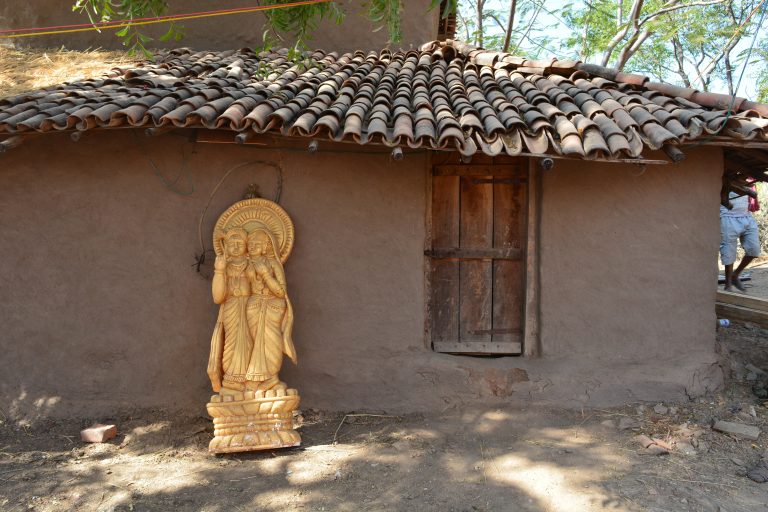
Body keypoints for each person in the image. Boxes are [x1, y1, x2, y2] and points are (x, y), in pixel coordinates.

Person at [243, 229, 297, 391]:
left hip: (273, 305)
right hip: (253, 305)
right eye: (250, 243)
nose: (252, 247)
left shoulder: (273, 264)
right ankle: (254, 379)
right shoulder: (245, 264)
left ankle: (272, 378)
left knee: (271, 341)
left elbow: (281, 292)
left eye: (257, 244)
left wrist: (265, 274)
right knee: (253, 342)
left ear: (266, 246)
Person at [720, 189, 761, 292]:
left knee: (754, 250)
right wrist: (749, 192)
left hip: (746, 216)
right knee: (728, 250)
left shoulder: (745, 179)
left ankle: (735, 275)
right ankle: (728, 285)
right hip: (727, 216)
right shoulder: (728, 177)